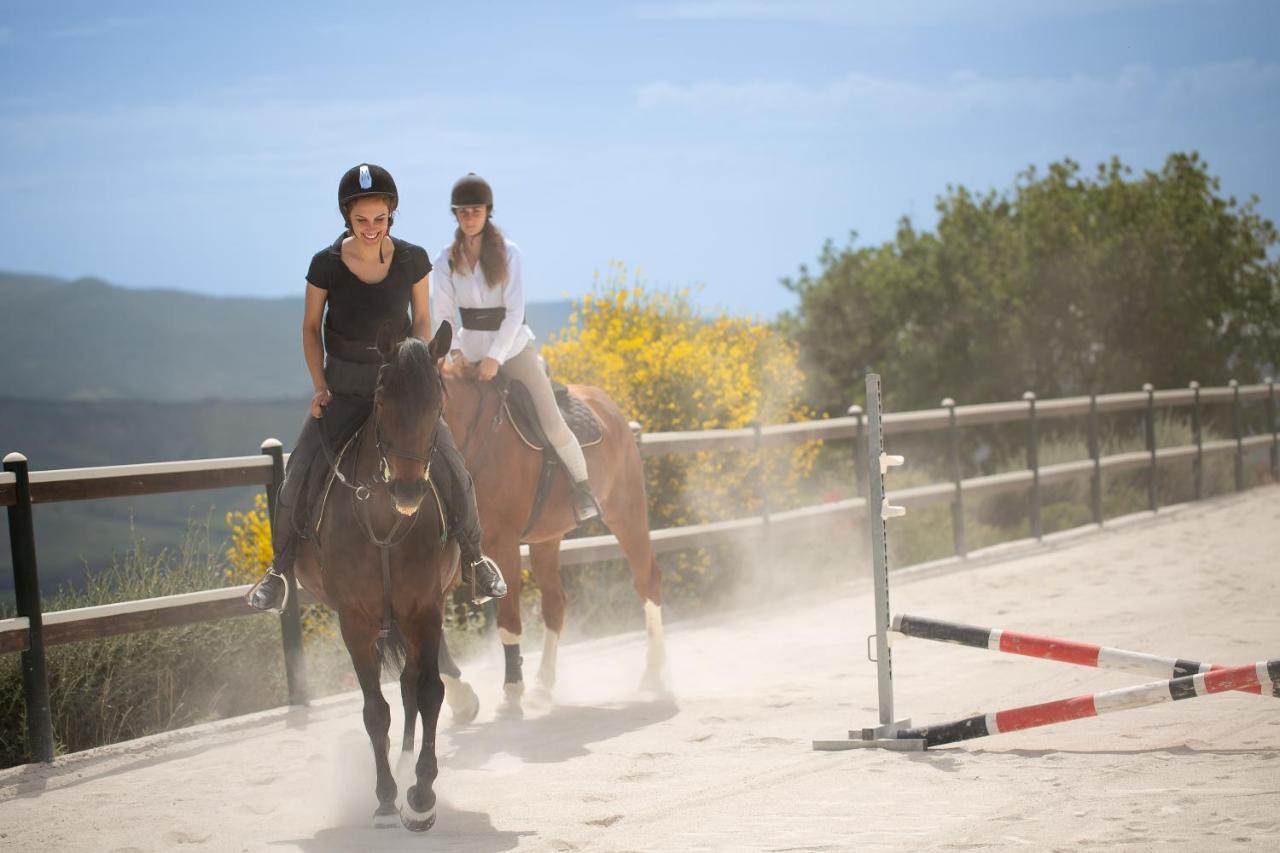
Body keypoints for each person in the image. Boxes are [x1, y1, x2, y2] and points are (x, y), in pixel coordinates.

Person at [247, 163, 507, 612]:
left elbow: (422, 320)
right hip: (344, 390)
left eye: (380, 219)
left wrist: (423, 373)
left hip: (402, 390)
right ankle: (279, 571)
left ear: (392, 215)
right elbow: (311, 329)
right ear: (347, 217)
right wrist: (319, 385)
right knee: (298, 475)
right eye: (361, 220)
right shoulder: (325, 265)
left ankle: (475, 560)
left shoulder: (412, 259)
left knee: (452, 467)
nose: (371, 228)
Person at [433, 173, 602, 525]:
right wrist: (455, 354)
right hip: (468, 353)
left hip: (512, 349)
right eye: (462, 212)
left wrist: (495, 356)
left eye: (475, 210)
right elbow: (444, 314)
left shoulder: (510, 254)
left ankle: (583, 488)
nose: (469, 217)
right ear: (456, 215)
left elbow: (514, 312)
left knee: (550, 419)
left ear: (487, 212)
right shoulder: (445, 260)